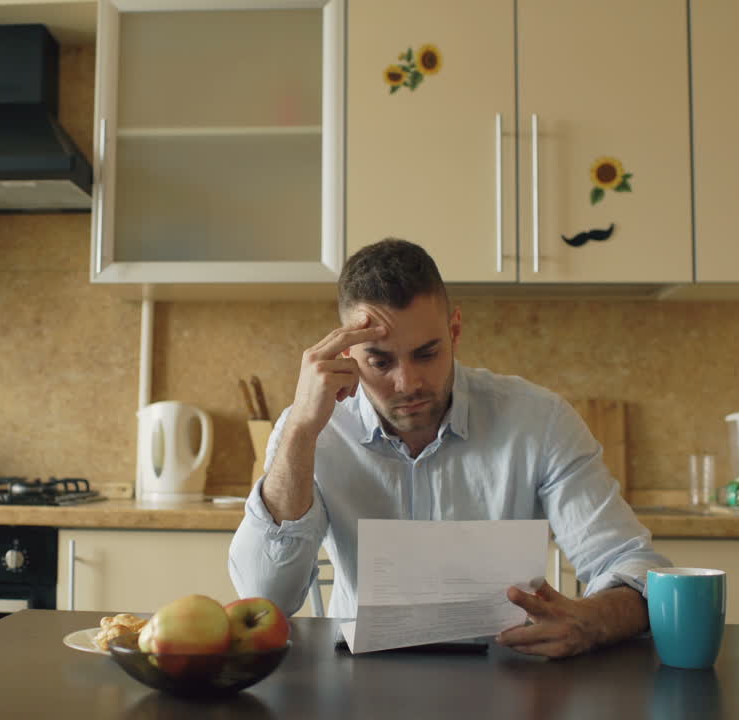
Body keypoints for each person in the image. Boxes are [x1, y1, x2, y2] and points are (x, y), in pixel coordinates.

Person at [228, 238, 670, 658]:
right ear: (347, 355)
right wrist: (300, 432)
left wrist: (592, 621)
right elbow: (264, 598)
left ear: (455, 331)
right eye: (380, 361)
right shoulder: (310, 430)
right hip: (359, 676)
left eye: (426, 353)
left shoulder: (540, 421)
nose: (408, 383)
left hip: (508, 672)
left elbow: (633, 564)